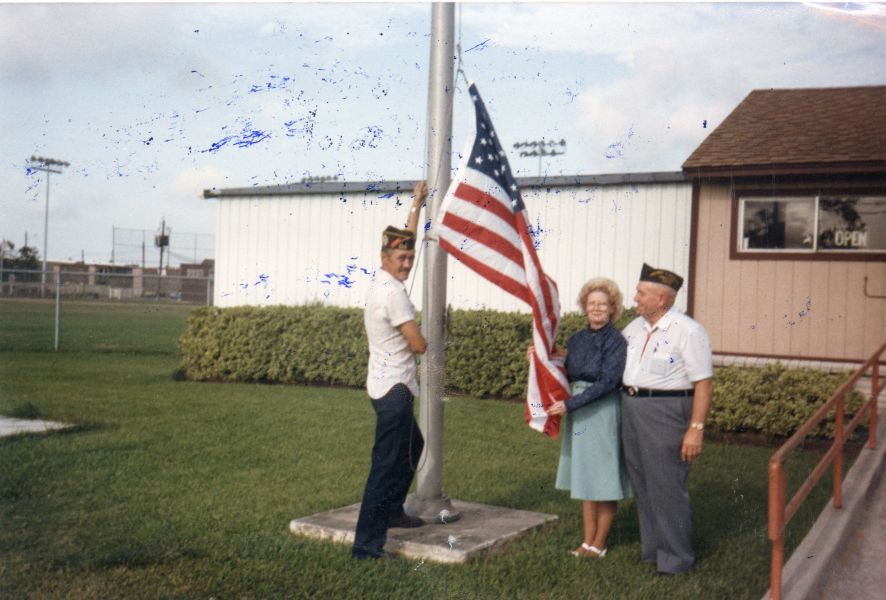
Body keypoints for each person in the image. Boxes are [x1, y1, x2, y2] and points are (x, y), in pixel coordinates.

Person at [352, 181, 429, 560]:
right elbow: (418, 345)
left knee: (414, 445)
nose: (407, 263)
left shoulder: (384, 279)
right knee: (385, 467)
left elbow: (406, 237)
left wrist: (416, 204)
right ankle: (366, 546)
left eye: (410, 257)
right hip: (394, 392)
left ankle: (394, 511)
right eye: (401, 258)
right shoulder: (393, 293)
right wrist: (431, 335)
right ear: (384, 257)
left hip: (387, 386)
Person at [620, 263, 713, 575]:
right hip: (632, 408)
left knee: (667, 486)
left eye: (641, 293)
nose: (635, 298)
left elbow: (703, 383)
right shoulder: (634, 328)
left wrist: (695, 429)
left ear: (661, 299)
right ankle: (654, 551)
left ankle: (676, 559)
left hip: (666, 411)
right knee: (644, 483)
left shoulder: (688, 331)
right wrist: (558, 356)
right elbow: (605, 360)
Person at [544, 278, 631, 559]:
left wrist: (570, 404)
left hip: (601, 409)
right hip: (579, 410)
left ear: (612, 308)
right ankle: (587, 541)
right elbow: (570, 370)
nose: (596, 308)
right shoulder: (577, 339)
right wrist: (543, 357)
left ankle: (599, 543)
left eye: (602, 304)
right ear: (585, 307)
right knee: (586, 475)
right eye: (592, 303)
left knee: (603, 477)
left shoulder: (615, 340)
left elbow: (608, 381)